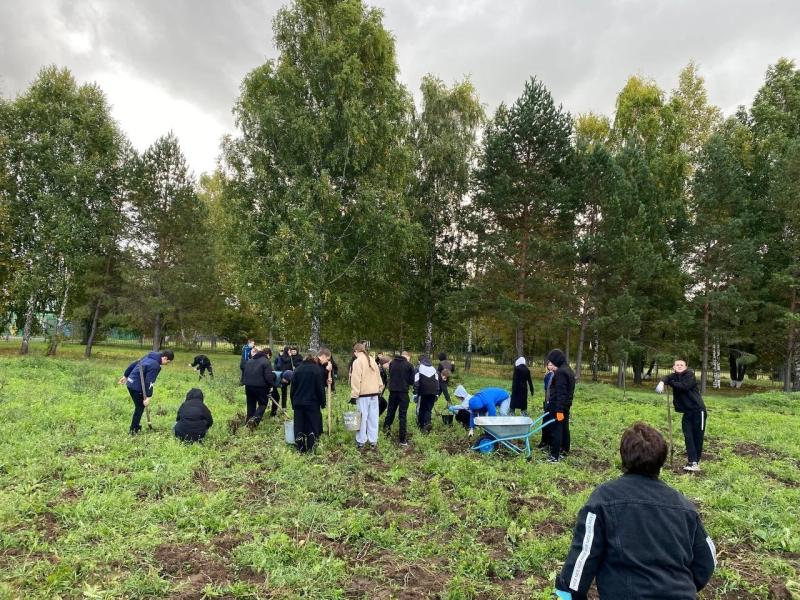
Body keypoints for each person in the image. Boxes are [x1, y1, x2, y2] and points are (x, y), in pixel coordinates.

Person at [554, 422, 716, 599]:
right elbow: (707, 559)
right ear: (661, 460)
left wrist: (568, 591)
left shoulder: (603, 499)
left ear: (623, 455)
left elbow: (584, 555)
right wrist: (682, 587)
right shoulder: (684, 506)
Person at [657, 358, 708, 473]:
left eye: (681, 365)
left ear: (685, 367)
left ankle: (694, 462)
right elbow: (666, 377)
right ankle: (692, 461)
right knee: (688, 437)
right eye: (677, 365)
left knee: (697, 437)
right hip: (687, 413)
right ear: (674, 367)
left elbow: (684, 386)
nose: (679, 366)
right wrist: (662, 382)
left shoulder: (689, 375)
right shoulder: (674, 376)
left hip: (698, 411)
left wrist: (669, 382)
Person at [118, 350, 174, 434]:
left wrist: (125, 376)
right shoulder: (155, 366)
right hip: (136, 387)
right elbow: (149, 382)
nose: (167, 364)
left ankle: (136, 426)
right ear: (165, 358)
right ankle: (133, 431)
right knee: (140, 407)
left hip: (130, 383)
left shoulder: (149, 356)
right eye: (168, 362)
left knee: (139, 406)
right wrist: (148, 397)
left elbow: (134, 364)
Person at [350, 342, 384, 449]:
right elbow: (378, 376)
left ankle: (361, 441)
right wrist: (380, 388)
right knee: (373, 418)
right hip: (374, 393)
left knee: (362, 418)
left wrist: (354, 394)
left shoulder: (357, 362)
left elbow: (356, 379)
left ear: (356, 351)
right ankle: (373, 441)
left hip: (363, 394)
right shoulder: (372, 360)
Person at [292, 353, 326, 452]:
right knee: (312, 424)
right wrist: (322, 402)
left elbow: (293, 389)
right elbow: (320, 389)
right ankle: (312, 447)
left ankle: (300, 448)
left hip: (298, 402)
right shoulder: (316, 370)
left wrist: (293, 402)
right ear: (313, 360)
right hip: (312, 403)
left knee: (299, 425)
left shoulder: (297, 370)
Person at [546, 349, 575, 463]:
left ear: (557, 360)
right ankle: (564, 450)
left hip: (558, 406)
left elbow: (561, 393)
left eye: (552, 361)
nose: (551, 363)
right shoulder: (568, 370)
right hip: (565, 405)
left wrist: (559, 410)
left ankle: (555, 456)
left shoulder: (561, 372)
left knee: (556, 430)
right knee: (564, 428)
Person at [385, 350, 415, 446]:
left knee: (390, 412)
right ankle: (402, 440)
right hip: (403, 393)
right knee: (402, 415)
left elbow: (390, 375)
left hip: (393, 392)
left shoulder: (392, 363)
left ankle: (386, 433)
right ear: (407, 357)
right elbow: (412, 381)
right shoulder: (409, 365)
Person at [242, 346, 276, 428]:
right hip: (260, 387)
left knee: (251, 405)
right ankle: (254, 420)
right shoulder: (266, 362)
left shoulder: (250, 360)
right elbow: (268, 376)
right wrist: (271, 385)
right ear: (267, 355)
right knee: (263, 403)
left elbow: (244, 373)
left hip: (248, 386)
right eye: (269, 356)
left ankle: (248, 424)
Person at [414, 355, 440, 433]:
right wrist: (437, 393)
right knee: (428, 409)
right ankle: (428, 423)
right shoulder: (434, 368)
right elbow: (437, 381)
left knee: (421, 408)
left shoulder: (418, 368)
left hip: (423, 391)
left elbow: (416, 381)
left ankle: (421, 425)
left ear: (419, 361)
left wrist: (415, 393)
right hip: (433, 392)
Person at [538, 361, 556, 449]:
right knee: (545, 421)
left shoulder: (553, 375)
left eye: (552, 365)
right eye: (549, 365)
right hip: (547, 400)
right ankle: (544, 441)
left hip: (550, 401)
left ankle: (547, 442)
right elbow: (546, 389)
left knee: (549, 421)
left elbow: (549, 389)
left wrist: (548, 401)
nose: (550, 366)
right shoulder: (547, 375)